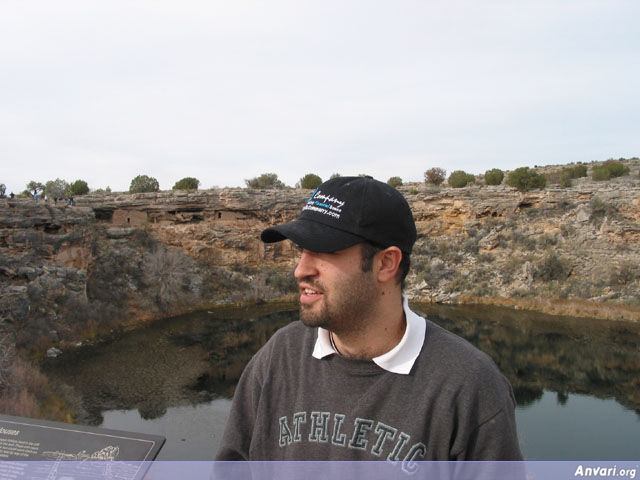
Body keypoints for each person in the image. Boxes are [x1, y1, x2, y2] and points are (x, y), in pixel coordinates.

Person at [215, 176, 522, 465]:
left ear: (386, 263)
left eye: (323, 250)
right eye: (301, 250)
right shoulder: (279, 355)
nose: (300, 270)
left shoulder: (470, 386)